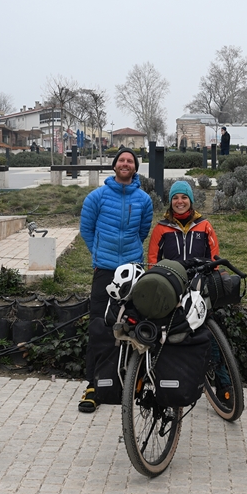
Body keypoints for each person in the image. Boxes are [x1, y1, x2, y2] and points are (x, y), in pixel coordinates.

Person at [77, 147, 154, 413]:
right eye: (121, 160)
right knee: (99, 327)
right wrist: (100, 254)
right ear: (114, 166)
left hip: (133, 271)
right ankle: (93, 385)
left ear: (135, 168)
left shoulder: (144, 200)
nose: (125, 164)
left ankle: (131, 379)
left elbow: (143, 231)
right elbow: (86, 229)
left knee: (133, 327)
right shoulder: (96, 197)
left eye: (130, 161)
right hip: (105, 271)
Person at [148, 181, 219, 265]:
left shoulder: (205, 226)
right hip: (171, 276)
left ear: (190, 200)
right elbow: (153, 260)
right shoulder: (161, 228)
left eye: (184, 197)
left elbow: (213, 258)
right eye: (175, 198)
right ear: (171, 202)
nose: (180, 201)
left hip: (199, 276)